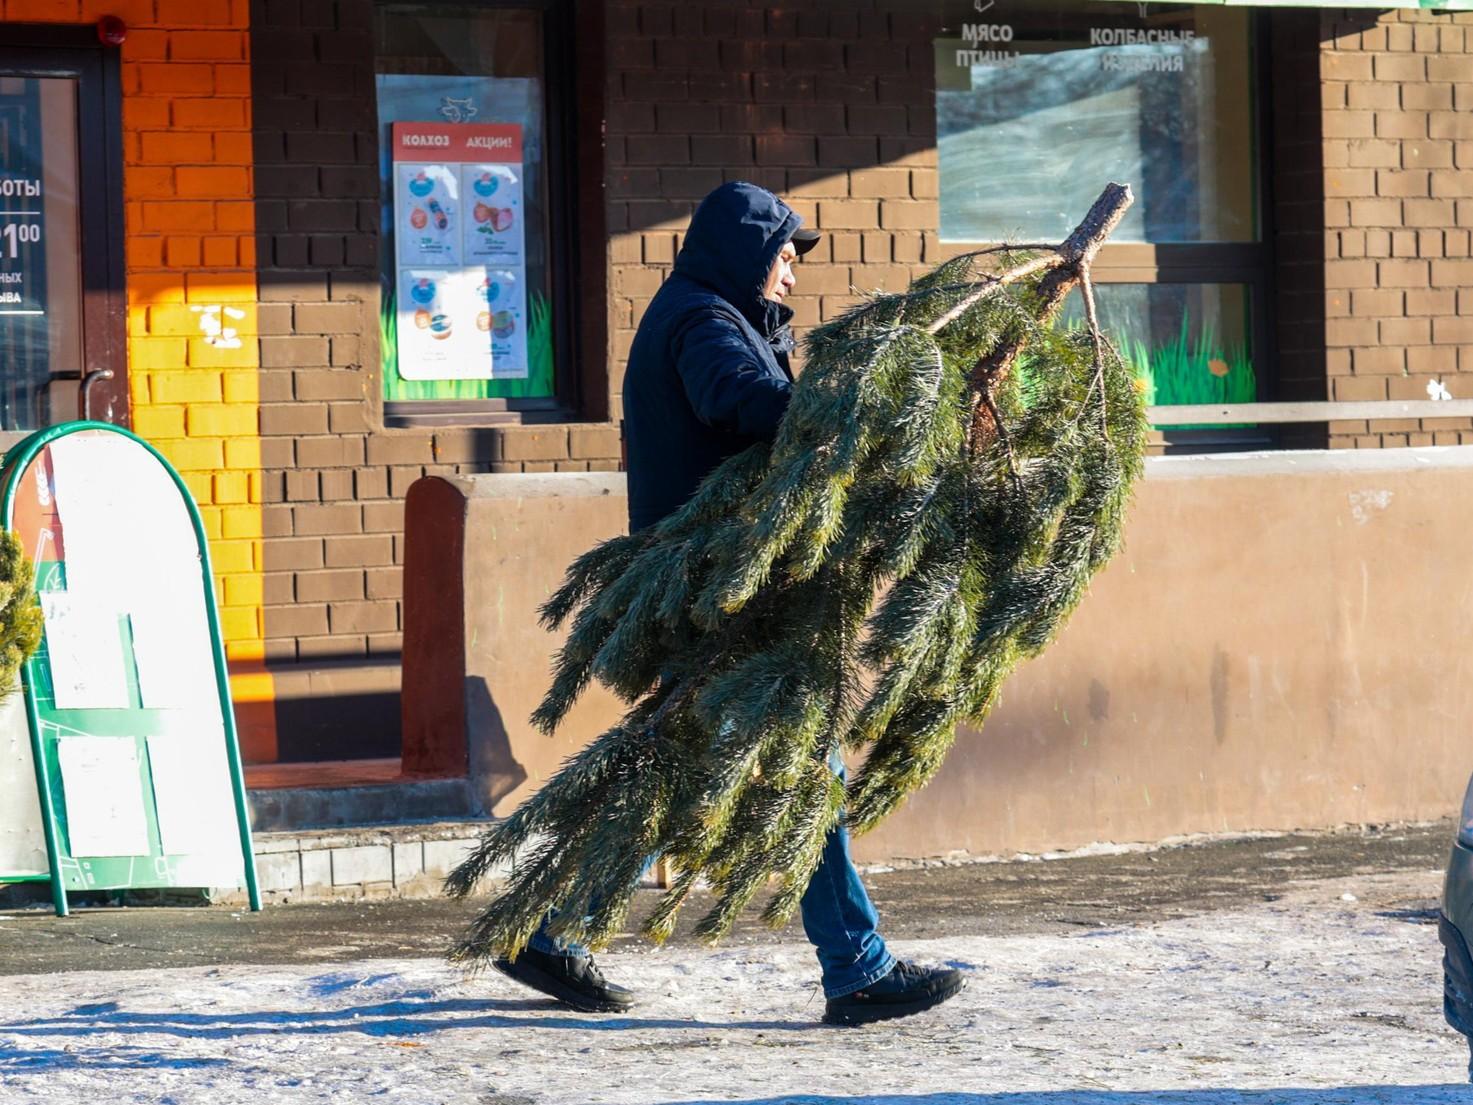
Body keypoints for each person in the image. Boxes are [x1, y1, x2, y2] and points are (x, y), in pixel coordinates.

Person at [494, 181, 964, 1026]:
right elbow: (737, 400)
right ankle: (855, 969)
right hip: (718, 590)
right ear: (746, 250)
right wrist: (844, 411)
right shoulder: (703, 320)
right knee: (800, 767)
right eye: (783, 255)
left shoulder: (710, 310)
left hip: (719, 584)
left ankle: (550, 928)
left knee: (698, 768)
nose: (791, 273)